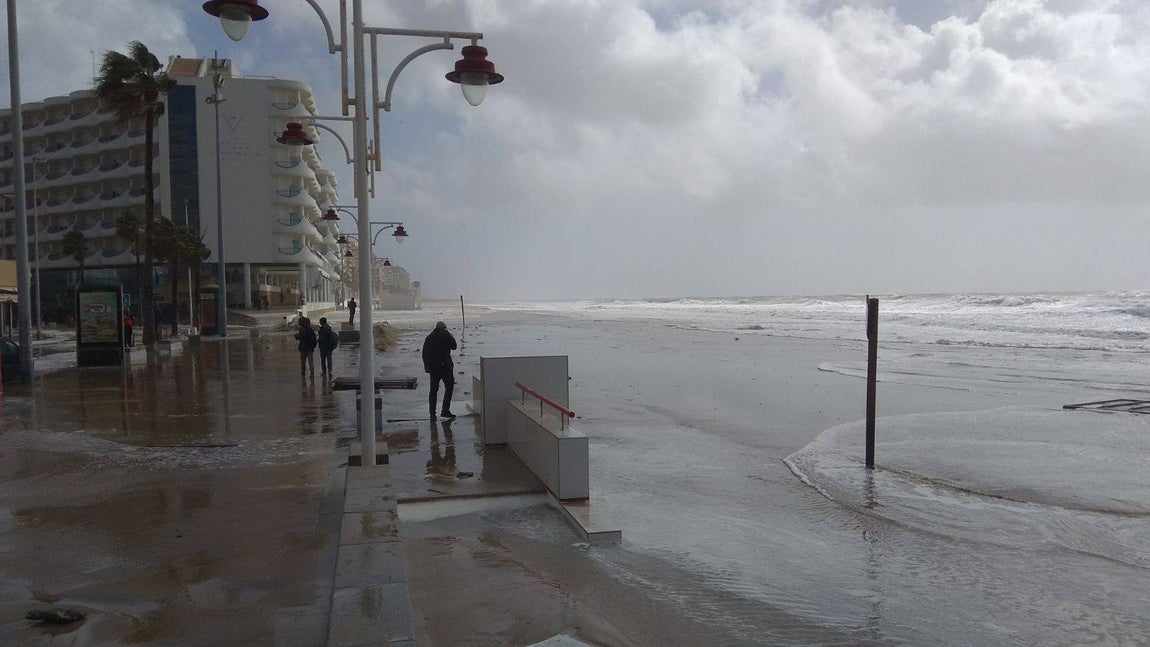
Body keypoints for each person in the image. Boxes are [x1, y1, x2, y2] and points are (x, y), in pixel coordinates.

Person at [422, 320, 457, 419]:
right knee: (449, 387)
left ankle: (432, 414)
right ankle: (445, 410)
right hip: (445, 367)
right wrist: (449, 333)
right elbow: (454, 346)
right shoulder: (446, 335)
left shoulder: (429, 337)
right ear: (444, 328)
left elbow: (424, 354)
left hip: (433, 369)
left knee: (433, 390)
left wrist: (427, 367)